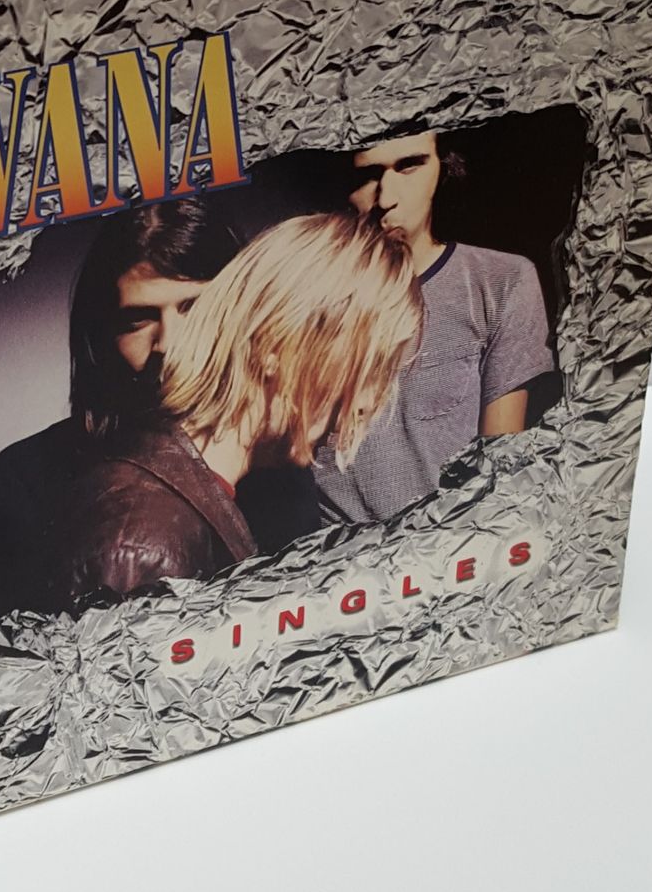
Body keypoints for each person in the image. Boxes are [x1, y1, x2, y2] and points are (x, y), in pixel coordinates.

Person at [52, 214, 423, 607]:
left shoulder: (214, 494)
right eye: (367, 369)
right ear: (275, 346)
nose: (365, 404)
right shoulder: (143, 546)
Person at [0, 199, 240, 620]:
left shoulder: (287, 465)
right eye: (137, 320)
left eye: (196, 309)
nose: (169, 345)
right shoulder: (21, 480)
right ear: (101, 337)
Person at [313, 130, 555, 523]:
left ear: (443, 168)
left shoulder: (500, 280)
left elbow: (499, 465)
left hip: (454, 542)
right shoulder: (309, 299)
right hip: (340, 552)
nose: (386, 198)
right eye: (368, 175)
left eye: (409, 166)